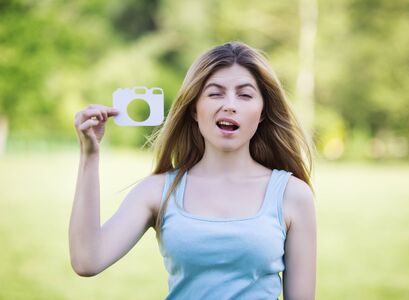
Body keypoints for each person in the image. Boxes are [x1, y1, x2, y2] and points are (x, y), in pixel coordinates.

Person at [70, 41, 317, 300]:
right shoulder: (159, 191)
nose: (230, 105)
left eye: (244, 95)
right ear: (194, 110)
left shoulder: (293, 195)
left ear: (263, 111)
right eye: (215, 93)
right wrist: (89, 155)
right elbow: (87, 260)